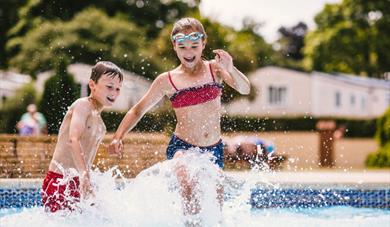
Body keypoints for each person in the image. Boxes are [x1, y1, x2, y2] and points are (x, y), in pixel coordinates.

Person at [108, 17, 250, 217]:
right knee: (188, 186)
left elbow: (245, 89)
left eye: (194, 46)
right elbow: (137, 110)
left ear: (203, 44)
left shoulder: (214, 69)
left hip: (213, 148)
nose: (189, 52)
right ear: (174, 46)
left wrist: (231, 69)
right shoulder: (167, 80)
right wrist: (118, 136)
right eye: (183, 47)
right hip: (182, 146)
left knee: (216, 203)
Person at [41, 61, 123, 213]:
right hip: (60, 180)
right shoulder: (82, 105)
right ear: (92, 85)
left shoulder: (100, 123)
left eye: (118, 88)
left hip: (79, 181)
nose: (114, 92)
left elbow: (87, 148)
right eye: (109, 87)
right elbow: (74, 139)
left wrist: (109, 149)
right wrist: (84, 173)